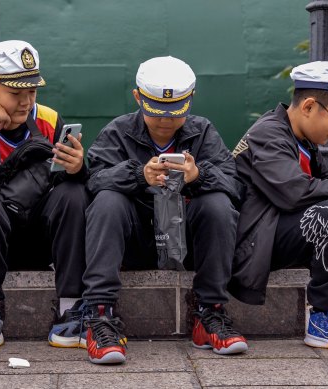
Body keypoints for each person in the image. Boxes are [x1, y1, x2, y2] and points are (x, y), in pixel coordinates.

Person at [83, 56, 247, 365]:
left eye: (175, 112)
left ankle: (209, 313)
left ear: (191, 100)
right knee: (107, 200)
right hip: (135, 241)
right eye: (156, 110)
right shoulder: (117, 132)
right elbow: (93, 181)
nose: (165, 120)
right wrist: (136, 176)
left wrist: (198, 178)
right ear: (137, 97)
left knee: (217, 203)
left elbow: (235, 186)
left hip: (186, 242)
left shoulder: (203, 133)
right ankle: (100, 315)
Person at [0, 40, 89, 355]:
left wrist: (79, 168)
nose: (26, 101)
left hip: (44, 240)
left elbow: (69, 182)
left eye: (32, 91)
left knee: (74, 193)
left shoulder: (49, 120)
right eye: (16, 93)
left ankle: (71, 309)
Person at [231, 61, 328, 351]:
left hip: (277, 230)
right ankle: (324, 322)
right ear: (309, 106)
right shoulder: (268, 134)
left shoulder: (299, 137)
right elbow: (295, 191)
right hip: (252, 243)